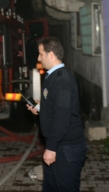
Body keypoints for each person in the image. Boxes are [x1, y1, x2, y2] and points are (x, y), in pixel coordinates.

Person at [27, 37, 86, 192]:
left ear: (51, 54)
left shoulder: (61, 81)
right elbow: (56, 108)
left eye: (41, 54)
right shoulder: (52, 76)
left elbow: (62, 117)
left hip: (66, 149)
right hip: (58, 146)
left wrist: (51, 148)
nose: (39, 58)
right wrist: (40, 108)